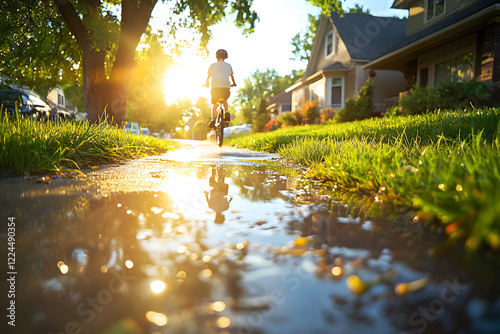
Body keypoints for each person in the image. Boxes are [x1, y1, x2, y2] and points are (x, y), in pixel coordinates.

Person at [204, 49, 237, 129]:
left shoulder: (212, 66)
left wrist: (206, 83)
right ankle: (226, 111)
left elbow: (208, 77)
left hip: (215, 89)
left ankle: (213, 119)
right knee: (224, 100)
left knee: (214, 104)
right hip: (225, 89)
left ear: (216, 57)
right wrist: (234, 83)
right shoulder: (228, 66)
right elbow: (232, 77)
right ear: (225, 57)